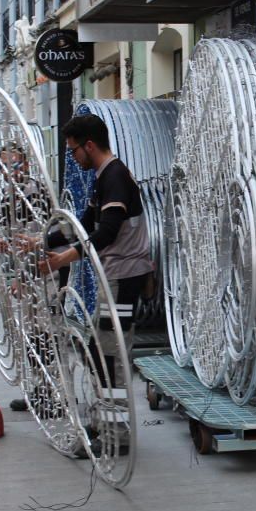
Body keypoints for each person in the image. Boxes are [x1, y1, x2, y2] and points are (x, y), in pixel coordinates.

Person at [36, 115, 153, 453]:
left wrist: (64, 258)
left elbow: (106, 233)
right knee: (98, 354)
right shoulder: (103, 178)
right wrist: (42, 241)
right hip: (112, 278)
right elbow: (85, 224)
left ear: (89, 145)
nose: (73, 157)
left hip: (123, 280)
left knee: (112, 357)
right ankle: (105, 423)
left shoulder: (115, 177)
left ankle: (116, 437)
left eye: (73, 151)